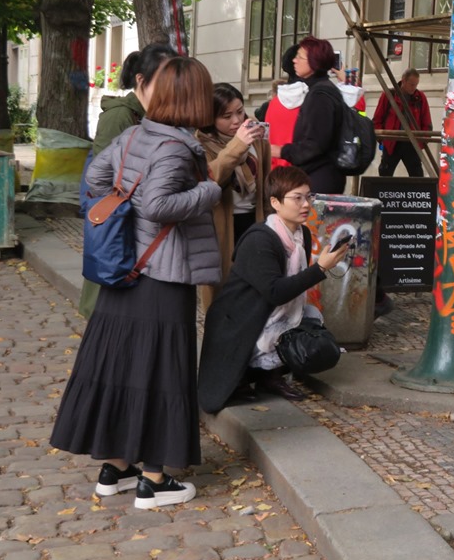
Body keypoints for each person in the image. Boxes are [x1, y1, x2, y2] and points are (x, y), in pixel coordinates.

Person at [51, 56, 222, 510]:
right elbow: (161, 205)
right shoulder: (175, 147)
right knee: (163, 371)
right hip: (162, 274)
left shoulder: (135, 134)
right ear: (193, 98)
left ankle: (117, 466)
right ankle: (154, 478)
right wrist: (210, 188)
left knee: (123, 368)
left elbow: (95, 177)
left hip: (126, 270)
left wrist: (126, 204)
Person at [198, 166, 349, 412]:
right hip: (239, 319)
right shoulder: (260, 239)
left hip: (271, 311)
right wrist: (320, 268)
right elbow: (276, 292)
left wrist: (318, 269)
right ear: (275, 203)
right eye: (297, 198)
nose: (305, 204)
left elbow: (290, 293)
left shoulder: (302, 234)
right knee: (281, 325)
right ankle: (248, 375)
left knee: (315, 340)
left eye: (308, 196)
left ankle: (270, 376)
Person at [78, 43, 179, 318]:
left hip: (141, 227)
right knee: (106, 307)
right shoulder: (121, 115)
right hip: (118, 223)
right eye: (163, 79)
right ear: (141, 80)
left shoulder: (159, 117)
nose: (171, 87)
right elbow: (101, 178)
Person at [196, 83, 270, 308]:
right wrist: (237, 146)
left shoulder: (256, 138)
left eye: (240, 111)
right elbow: (211, 177)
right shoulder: (200, 143)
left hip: (253, 221)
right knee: (221, 293)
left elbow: (265, 183)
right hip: (220, 225)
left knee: (253, 288)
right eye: (226, 116)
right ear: (210, 118)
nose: (236, 121)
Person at [267, 36, 347, 193]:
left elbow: (316, 144)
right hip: (319, 175)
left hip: (320, 177)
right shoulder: (319, 90)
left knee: (312, 218)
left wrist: (281, 151)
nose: (294, 61)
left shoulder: (320, 94)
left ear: (314, 62)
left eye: (300, 57)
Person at [372, 68, 431, 178]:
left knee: (417, 175)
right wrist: (383, 139)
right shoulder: (388, 95)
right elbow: (377, 119)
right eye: (412, 84)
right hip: (392, 142)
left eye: (416, 85)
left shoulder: (420, 98)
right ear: (403, 81)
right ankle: (384, 194)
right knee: (385, 174)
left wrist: (422, 142)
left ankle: (417, 194)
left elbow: (426, 122)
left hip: (412, 142)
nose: (414, 88)